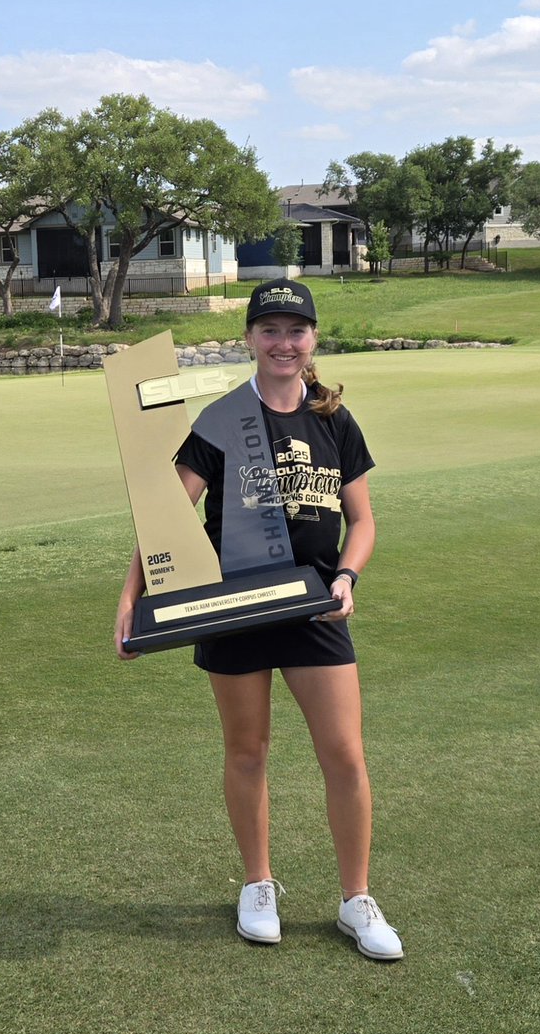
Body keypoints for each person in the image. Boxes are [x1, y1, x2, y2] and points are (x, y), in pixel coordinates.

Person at [114, 279, 403, 961]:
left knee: (344, 755)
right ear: (248, 338)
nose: (283, 343)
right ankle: (257, 885)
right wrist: (130, 602)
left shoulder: (334, 420)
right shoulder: (219, 420)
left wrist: (346, 576)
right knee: (247, 752)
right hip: (232, 611)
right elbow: (166, 521)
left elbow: (361, 521)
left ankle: (356, 899)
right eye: (269, 330)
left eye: (295, 330)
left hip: (313, 609)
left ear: (313, 339)